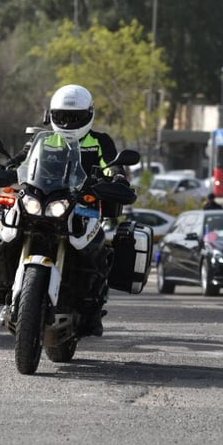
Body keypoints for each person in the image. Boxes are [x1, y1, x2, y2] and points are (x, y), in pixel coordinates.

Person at [44, 83, 130, 336]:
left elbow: (111, 165)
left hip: (84, 207)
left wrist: (116, 176)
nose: (69, 123)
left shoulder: (100, 141)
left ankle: (93, 309)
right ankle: (9, 292)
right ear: (51, 116)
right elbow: (26, 159)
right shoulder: (46, 139)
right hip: (49, 205)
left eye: (75, 118)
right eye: (63, 117)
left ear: (88, 115)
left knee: (99, 250)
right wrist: (9, 168)